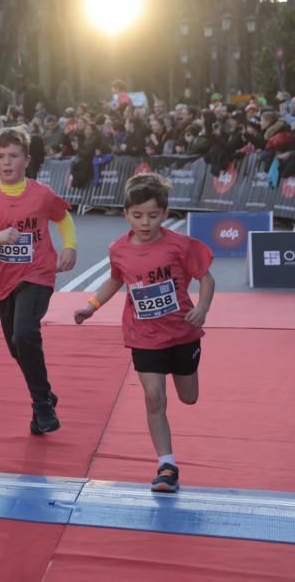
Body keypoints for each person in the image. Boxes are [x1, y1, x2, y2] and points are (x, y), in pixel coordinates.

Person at [74, 174, 214, 492]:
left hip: (182, 332)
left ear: (164, 214)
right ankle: (167, 465)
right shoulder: (118, 249)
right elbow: (115, 279)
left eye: (152, 215)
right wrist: (92, 305)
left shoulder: (181, 245)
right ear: (126, 214)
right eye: (137, 216)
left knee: (188, 397)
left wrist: (202, 308)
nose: (145, 222)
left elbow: (207, 278)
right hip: (143, 335)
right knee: (154, 398)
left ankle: (186, 373)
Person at [0, 128, 77, 435]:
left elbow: (63, 217)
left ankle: (41, 403)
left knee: (25, 333)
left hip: (38, 273)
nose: (7, 162)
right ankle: (46, 394)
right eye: (0, 157)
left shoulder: (40, 193)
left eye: (13, 156)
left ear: (27, 160)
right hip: (4, 282)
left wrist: (69, 246)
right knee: (17, 347)